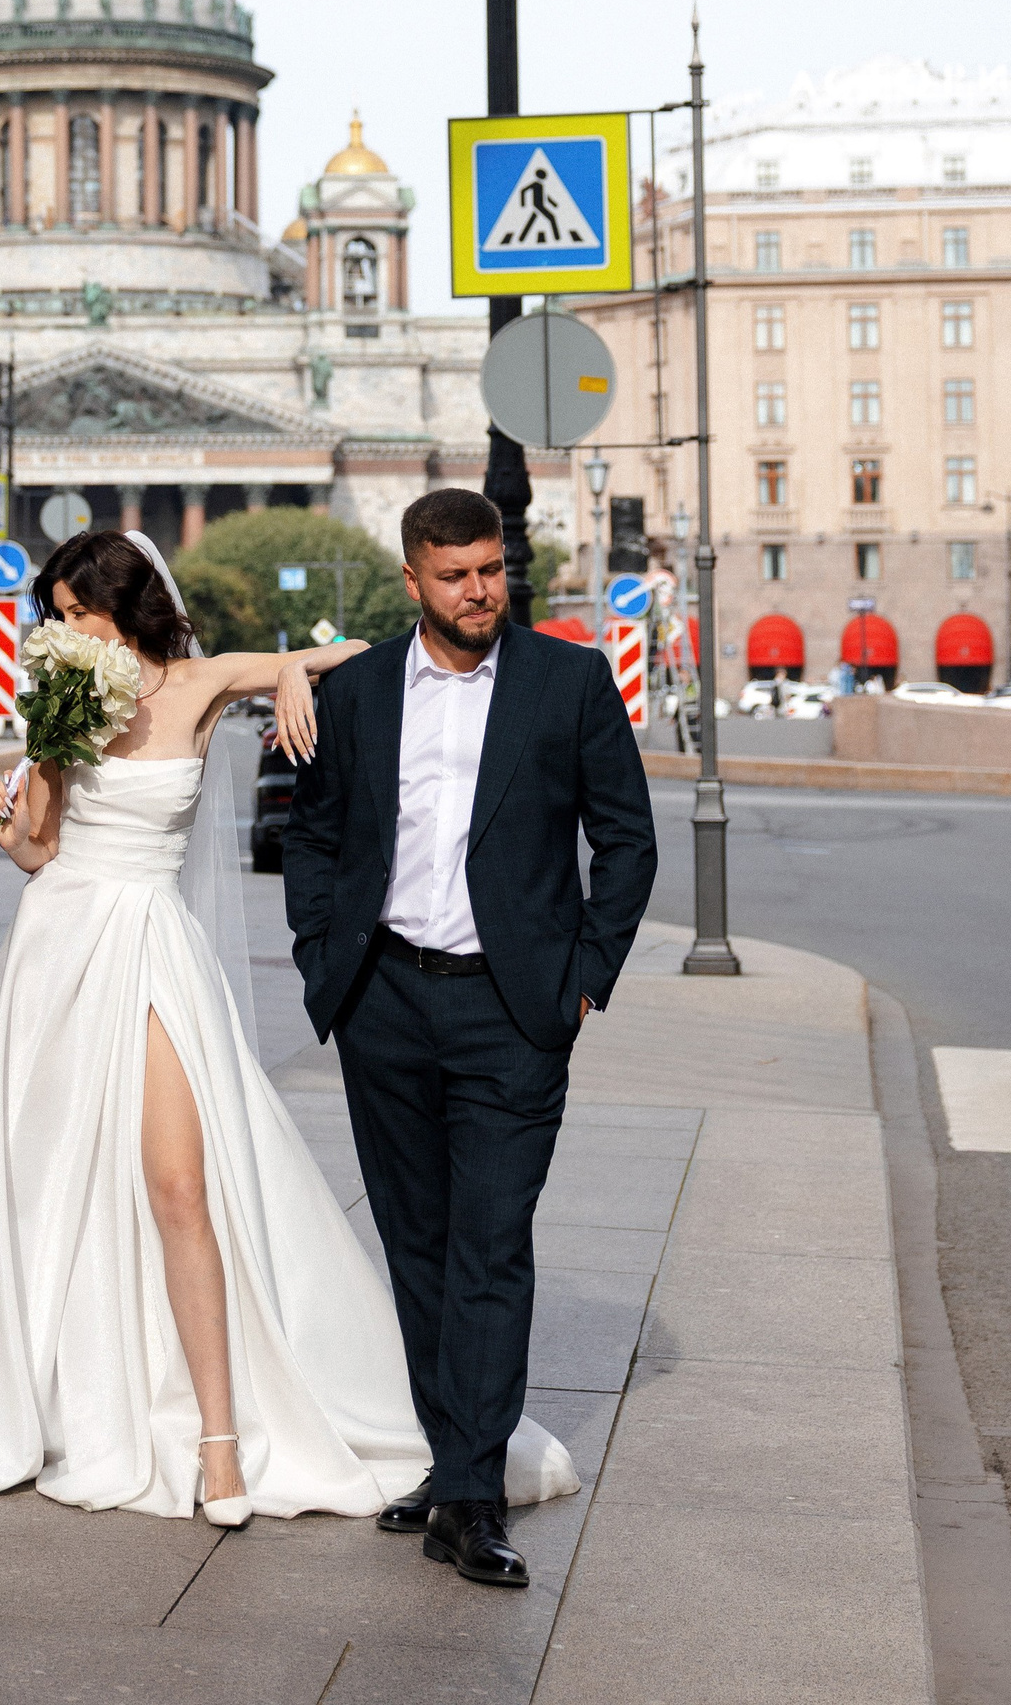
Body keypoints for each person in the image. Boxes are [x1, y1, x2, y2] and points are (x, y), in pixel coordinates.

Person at [0, 529, 456, 1524]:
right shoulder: (64, 697)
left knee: (179, 1185)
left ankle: (220, 1442)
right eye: (58, 617)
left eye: (77, 613)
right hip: (56, 950)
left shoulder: (200, 684)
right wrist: (7, 825)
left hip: (154, 945)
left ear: (123, 604)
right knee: (41, 1180)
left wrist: (291, 671)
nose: (65, 631)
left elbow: (353, 654)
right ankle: (48, 1397)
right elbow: (40, 848)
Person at [283, 489, 657, 1587]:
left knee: (490, 1244)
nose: (479, 590)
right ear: (414, 580)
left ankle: (473, 1494)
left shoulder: (568, 681)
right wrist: (323, 959)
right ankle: (450, 1465)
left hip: (513, 1012)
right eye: (455, 575)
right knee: (418, 1244)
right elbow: (314, 835)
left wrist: (583, 982)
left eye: (491, 569)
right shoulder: (356, 691)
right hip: (385, 1001)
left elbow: (627, 842)